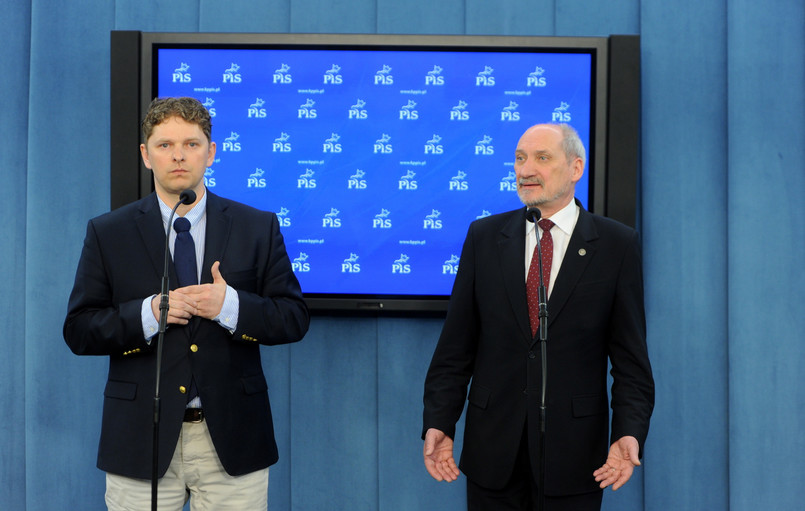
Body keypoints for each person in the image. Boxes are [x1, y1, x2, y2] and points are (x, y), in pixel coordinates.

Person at [63, 97, 309, 510]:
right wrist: (147, 314)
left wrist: (228, 305)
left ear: (211, 152)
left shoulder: (257, 226)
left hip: (232, 439)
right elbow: (79, 330)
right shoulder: (109, 232)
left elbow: (293, 318)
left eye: (192, 144)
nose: (178, 155)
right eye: (164, 145)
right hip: (141, 439)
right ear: (146, 155)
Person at [422, 123, 654, 510]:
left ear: (576, 168)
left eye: (542, 158)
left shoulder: (616, 245)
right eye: (520, 158)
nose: (525, 169)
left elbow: (631, 362)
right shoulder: (485, 237)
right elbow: (455, 349)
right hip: (493, 452)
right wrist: (440, 421)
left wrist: (628, 431)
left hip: (575, 454)